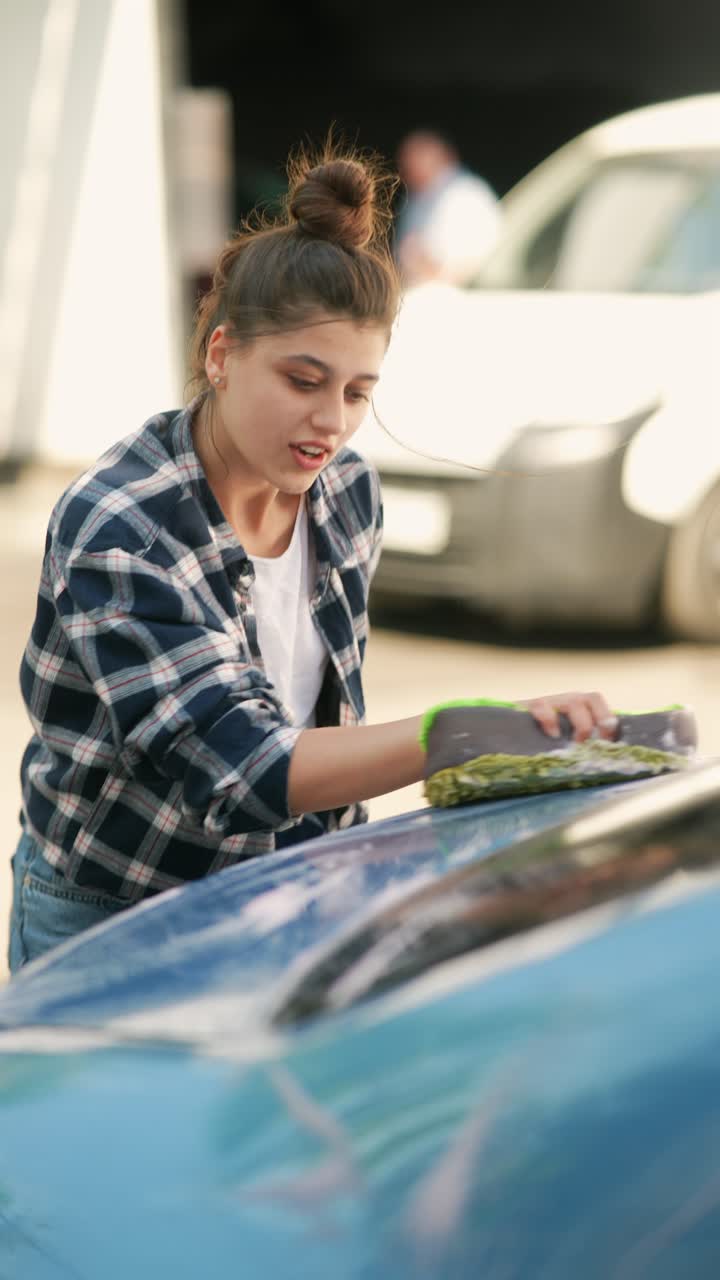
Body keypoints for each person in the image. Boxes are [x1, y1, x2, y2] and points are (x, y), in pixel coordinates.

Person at [8, 140, 617, 973]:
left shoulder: (345, 493)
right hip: (115, 918)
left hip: (288, 892)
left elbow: (325, 730)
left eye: (358, 392)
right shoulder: (123, 526)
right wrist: (474, 733)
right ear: (220, 356)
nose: (332, 421)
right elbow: (244, 768)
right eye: (303, 380)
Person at [394, 129, 501, 286]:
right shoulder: (418, 197)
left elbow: (472, 264)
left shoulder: (467, 193)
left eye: (414, 160)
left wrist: (424, 262)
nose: (405, 171)